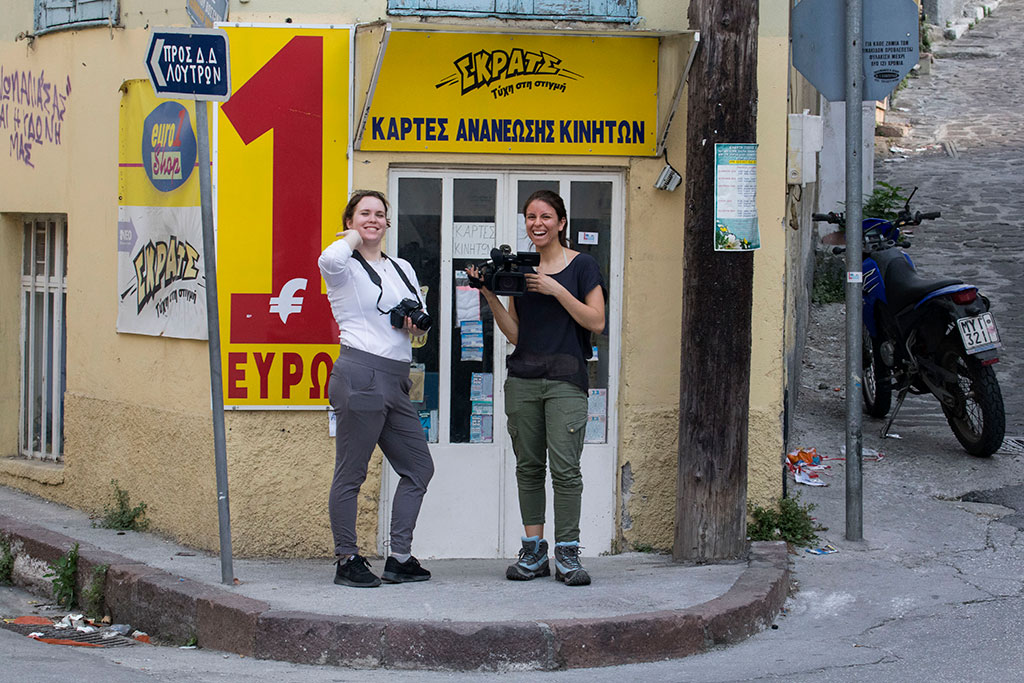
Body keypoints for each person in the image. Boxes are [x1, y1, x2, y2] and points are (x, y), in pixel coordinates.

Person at [467, 189, 605, 586]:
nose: (537, 223)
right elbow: (515, 334)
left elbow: (596, 321)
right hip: (523, 378)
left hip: (566, 379)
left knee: (565, 470)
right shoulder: (521, 270)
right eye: (530, 217)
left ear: (561, 222)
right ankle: (533, 551)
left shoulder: (583, 266)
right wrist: (490, 293)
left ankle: (567, 553)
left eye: (545, 216)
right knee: (529, 467)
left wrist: (556, 289)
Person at [318, 189, 434, 588]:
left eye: (380, 214)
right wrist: (351, 237)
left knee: (419, 468)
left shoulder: (401, 267)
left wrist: (414, 326)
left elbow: (415, 321)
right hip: (360, 373)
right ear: (349, 221)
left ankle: (399, 557)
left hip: (396, 377)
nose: (373, 220)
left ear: (389, 221)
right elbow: (328, 257)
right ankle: (347, 558)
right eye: (364, 213)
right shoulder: (343, 265)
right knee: (352, 472)